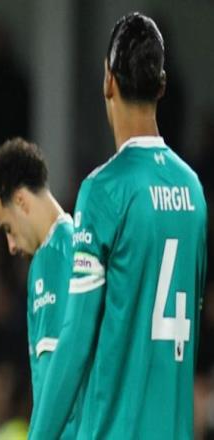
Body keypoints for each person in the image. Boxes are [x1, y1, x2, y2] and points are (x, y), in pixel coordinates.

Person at [32, 12, 208, 439]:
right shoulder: (193, 191)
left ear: (107, 81)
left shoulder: (104, 191)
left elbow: (76, 337)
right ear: (161, 85)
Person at [0, 137, 79, 438]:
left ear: (21, 201)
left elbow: (56, 372)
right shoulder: (77, 243)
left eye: (8, 228)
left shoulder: (51, 255)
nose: (11, 245)